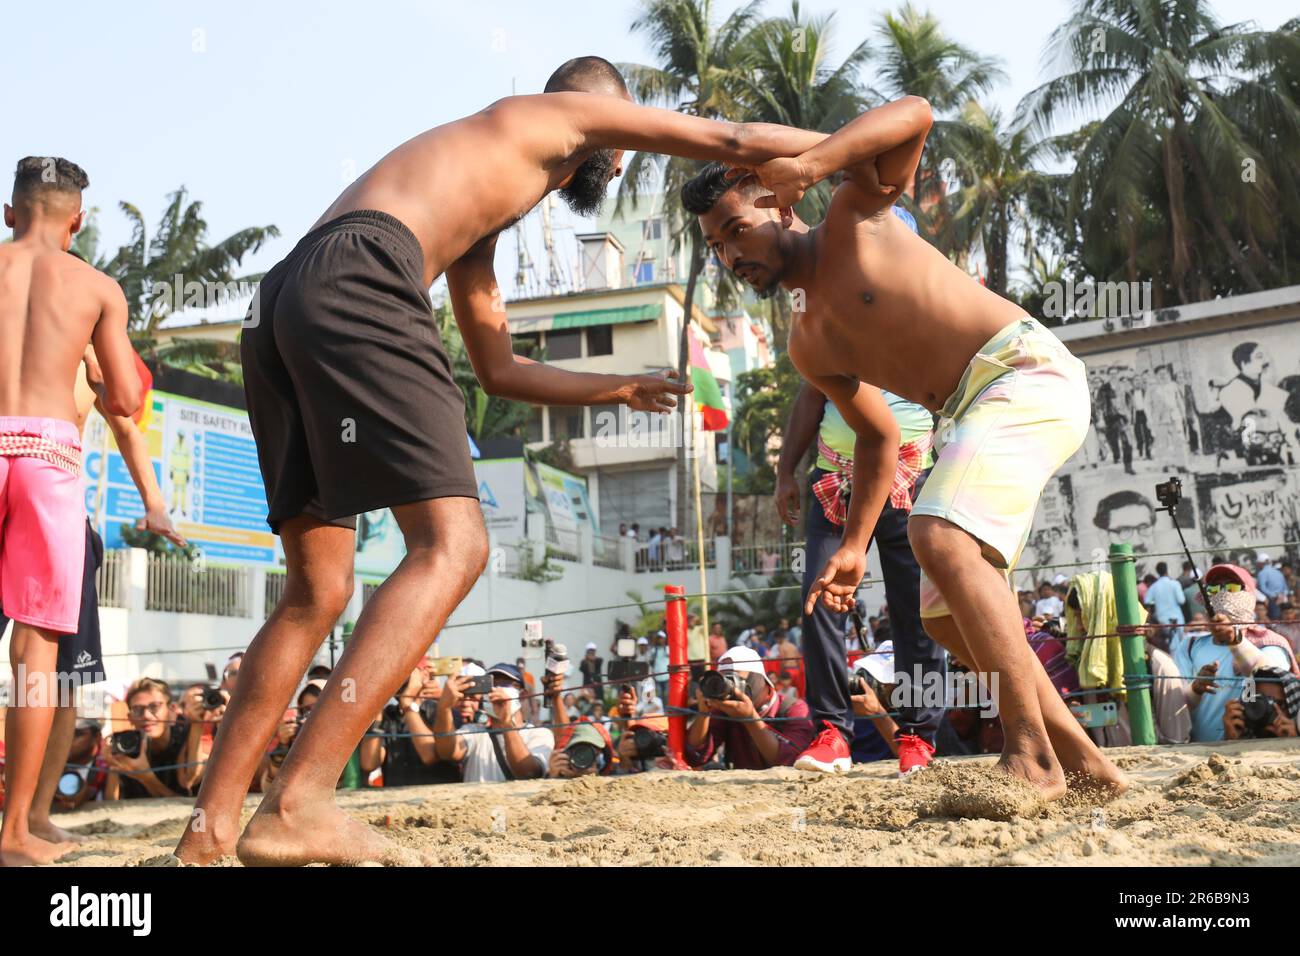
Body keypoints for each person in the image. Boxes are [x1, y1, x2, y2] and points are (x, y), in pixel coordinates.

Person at [176, 56, 822, 866]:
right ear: (600, 119)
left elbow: (498, 369)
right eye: (618, 150)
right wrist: (855, 147)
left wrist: (615, 386)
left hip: (283, 302)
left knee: (318, 591)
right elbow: (729, 138)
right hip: (360, 279)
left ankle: (208, 834)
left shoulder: (482, 196)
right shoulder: (560, 118)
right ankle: (299, 801)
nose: (617, 166)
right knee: (455, 546)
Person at [683, 95, 1129, 802]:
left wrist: (809, 162)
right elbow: (877, 436)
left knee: (940, 538)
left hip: (1024, 371)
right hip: (970, 412)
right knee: (941, 614)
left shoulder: (853, 220)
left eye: (737, 229)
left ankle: (1029, 754)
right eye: (716, 246)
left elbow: (915, 113)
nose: (731, 255)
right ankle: (1084, 762)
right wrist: (855, 543)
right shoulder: (808, 343)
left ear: (783, 207)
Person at [0, 157, 142, 865]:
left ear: (8, 212)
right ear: (77, 220)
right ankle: (17, 832)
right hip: (48, 459)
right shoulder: (96, 287)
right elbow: (122, 395)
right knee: (35, 651)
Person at [774, 353, 943, 776]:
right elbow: (812, 395)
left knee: (917, 609)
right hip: (834, 482)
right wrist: (785, 471)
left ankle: (918, 736)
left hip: (910, 477)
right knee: (818, 601)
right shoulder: (832, 324)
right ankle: (832, 734)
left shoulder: (915, 320)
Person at [685, 647, 816, 770]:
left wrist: (750, 719)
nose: (729, 687)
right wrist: (703, 714)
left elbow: (790, 761)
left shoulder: (794, 708)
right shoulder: (725, 710)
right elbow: (696, 757)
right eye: (724, 680)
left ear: (758, 679)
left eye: (734, 679)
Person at [434, 663, 553, 784]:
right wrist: (444, 708)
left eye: (504, 684)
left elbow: (528, 773)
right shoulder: (473, 731)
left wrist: (506, 723)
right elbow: (447, 753)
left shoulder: (539, 734)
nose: (496, 689)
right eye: (490, 684)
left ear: (522, 695)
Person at [359, 663, 460, 787]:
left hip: (437, 799)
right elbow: (369, 764)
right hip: (396, 801)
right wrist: (377, 705)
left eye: (406, 673)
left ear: (425, 675)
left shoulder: (440, 711)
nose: (399, 680)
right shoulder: (389, 715)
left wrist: (407, 702)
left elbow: (429, 756)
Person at [104, 678, 192, 800]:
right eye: (137, 710)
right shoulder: (128, 746)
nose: (146, 716)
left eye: (154, 707)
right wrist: (113, 766)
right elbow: (110, 804)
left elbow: (190, 808)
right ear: (130, 718)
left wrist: (145, 777)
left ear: (172, 711)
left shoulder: (188, 740)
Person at [1144, 561, 1187, 626]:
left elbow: (1147, 602)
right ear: (1167, 570)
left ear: (1157, 572)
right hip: (1177, 618)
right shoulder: (1175, 584)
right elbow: (1181, 601)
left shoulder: (1153, 587)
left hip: (1162, 618)